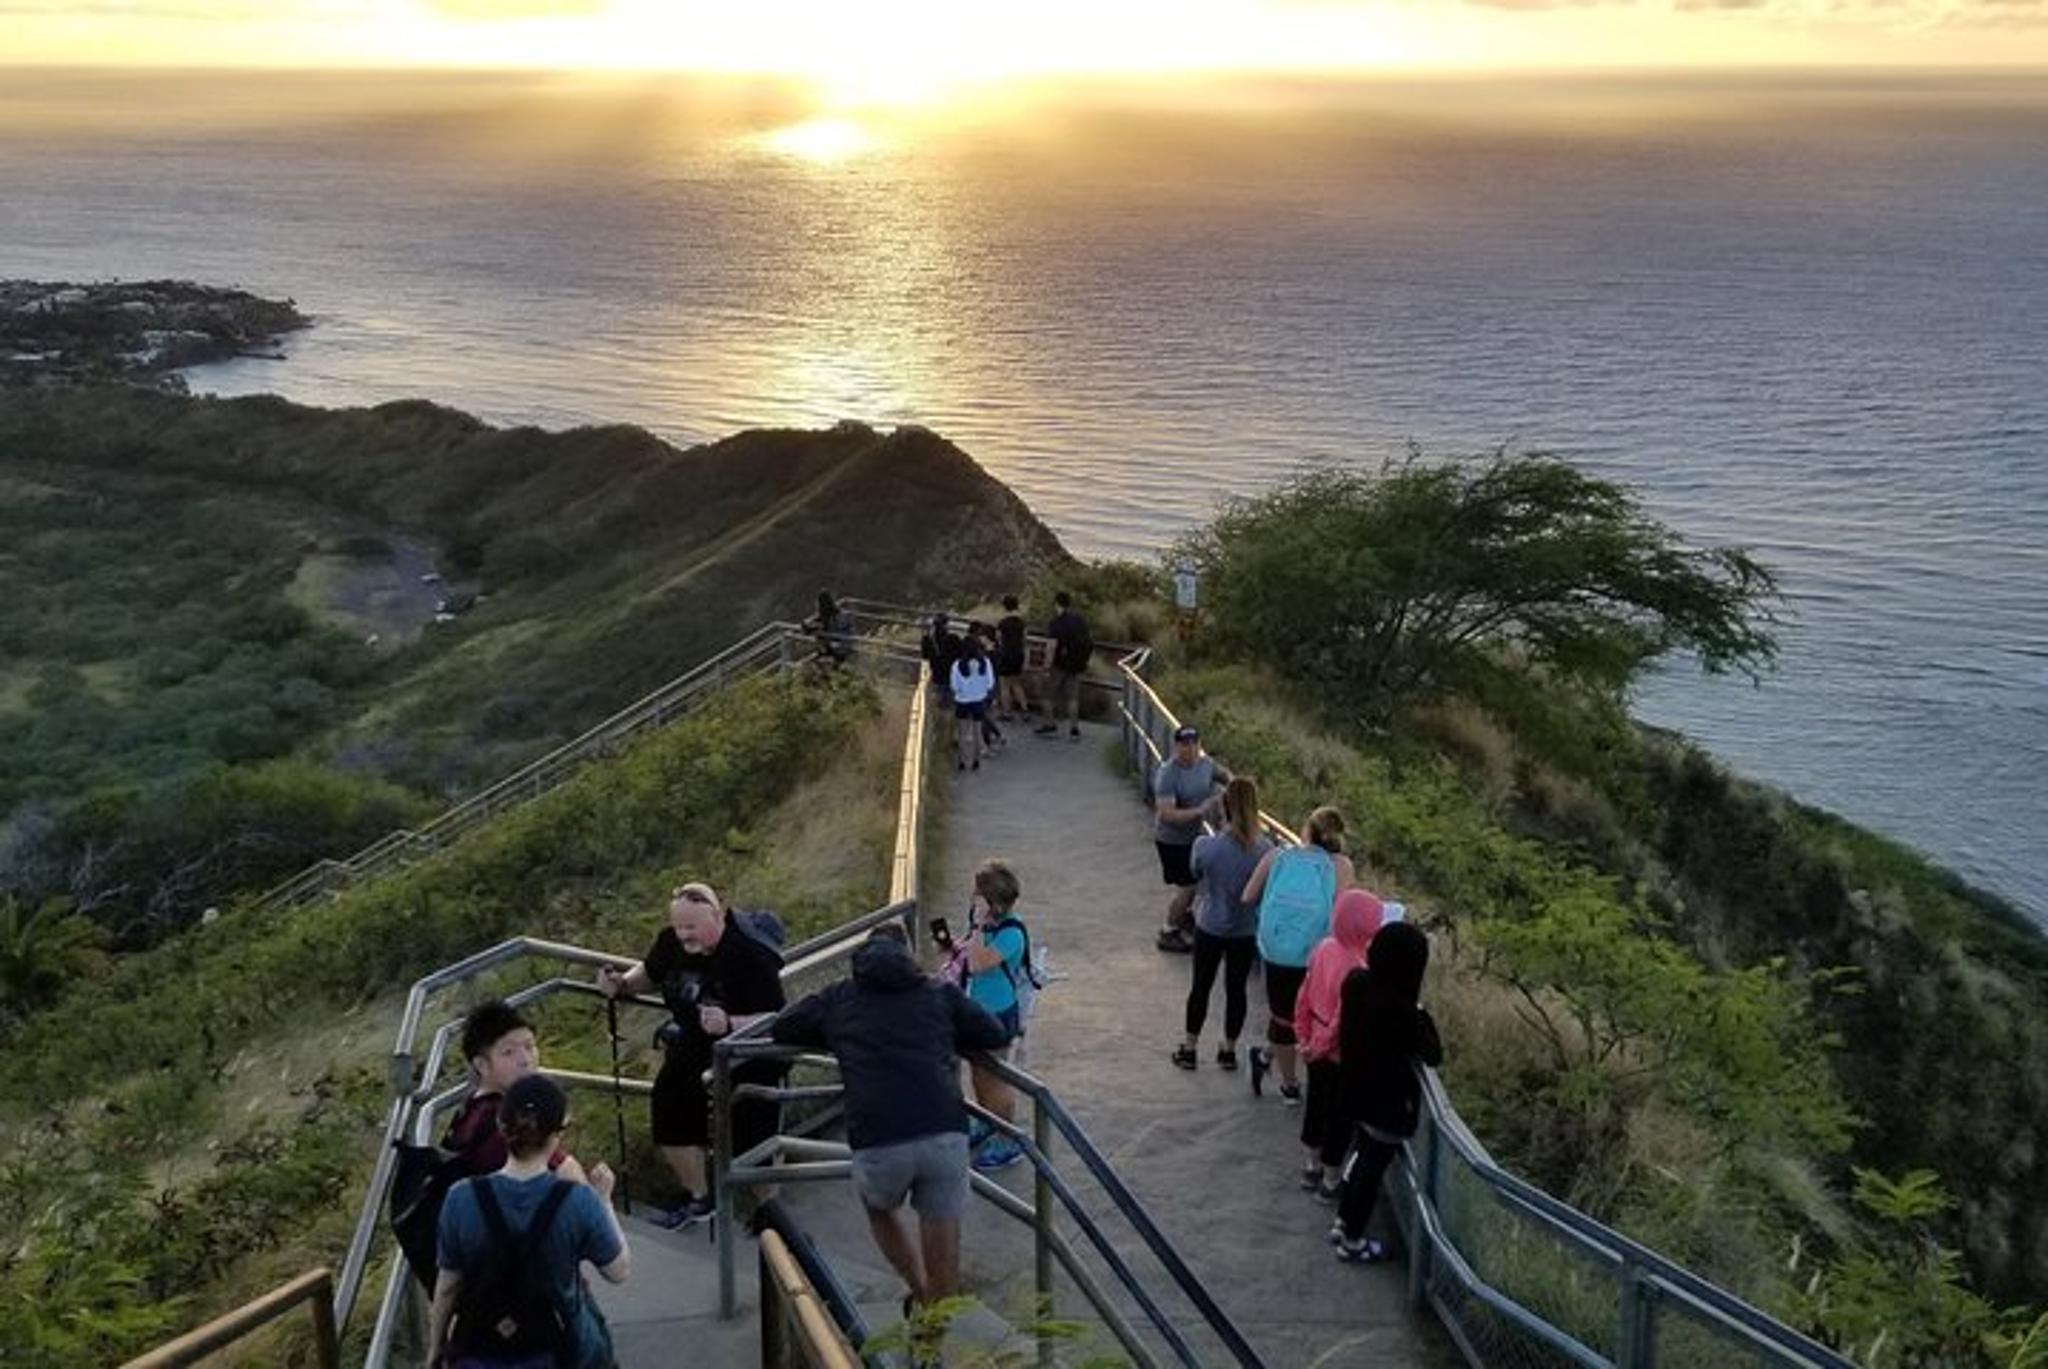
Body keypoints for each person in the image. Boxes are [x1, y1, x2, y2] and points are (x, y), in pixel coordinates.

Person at [770, 923, 1010, 1311]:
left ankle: (918, 1288)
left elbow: (784, 1026)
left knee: (879, 1209)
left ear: (860, 962)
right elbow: (994, 1032)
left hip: (879, 1136)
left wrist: (838, 1037)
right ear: (909, 956)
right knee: (943, 1220)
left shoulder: (838, 998)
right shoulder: (938, 992)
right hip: (943, 1128)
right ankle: (938, 1323)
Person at [595, 883, 786, 1230]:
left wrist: (730, 1022)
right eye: (680, 927)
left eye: (692, 927)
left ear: (718, 915)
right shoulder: (671, 942)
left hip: (750, 1054)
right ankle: (699, 1197)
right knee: (670, 1112)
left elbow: (776, 1017)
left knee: (753, 1135)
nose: (685, 936)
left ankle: (771, 1213)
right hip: (693, 1048)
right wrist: (621, 983)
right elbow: (650, 973)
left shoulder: (748, 955)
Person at [429, 1073, 629, 1369]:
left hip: (482, 1349)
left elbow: (448, 1285)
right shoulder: (577, 1200)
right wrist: (604, 1202)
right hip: (560, 1349)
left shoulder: (461, 1198)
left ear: (501, 1125)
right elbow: (618, 1271)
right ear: (558, 1132)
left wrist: (436, 1348)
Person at [1330, 921, 1441, 1263]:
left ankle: (1343, 1221)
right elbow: (1434, 1053)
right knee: (1370, 1169)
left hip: (1353, 1092)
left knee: (1360, 1157)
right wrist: (1422, 1013)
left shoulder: (1356, 985)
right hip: (1388, 1106)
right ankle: (1352, 1239)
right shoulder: (1402, 1012)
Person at [1242, 807, 1355, 1104]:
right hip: (1315, 953)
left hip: (1276, 949)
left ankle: (1278, 1071)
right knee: (1305, 1014)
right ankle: (1287, 1082)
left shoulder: (1278, 856)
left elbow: (1247, 896)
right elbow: (1340, 913)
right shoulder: (1341, 866)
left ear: (1307, 829)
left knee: (1283, 1016)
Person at [1295, 889, 1392, 1199]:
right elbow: (1341, 1019)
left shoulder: (1324, 948)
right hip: (1337, 1053)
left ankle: (1310, 1166)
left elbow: (1304, 995)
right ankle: (1331, 1180)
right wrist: (1322, 1045)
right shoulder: (1359, 969)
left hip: (1313, 1041)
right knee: (1339, 1116)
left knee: (1315, 1106)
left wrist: (1305, 1038)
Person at [1172, 776, 1272, 1071]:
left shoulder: (1206, 846)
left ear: (1225, 807)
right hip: (1244, 930)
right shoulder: (1265, 851)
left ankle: (1190, 1048)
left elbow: (1195, 872)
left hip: (1210, 925)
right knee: (1236, 989)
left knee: (1200, 986)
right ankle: (1228, 1050)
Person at [445, 1000, 588, 1183]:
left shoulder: (472, 1110)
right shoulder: (502, 1122)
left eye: (529, 1047)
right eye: (508, 1052)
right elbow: (566, 1178)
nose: (525, 1060)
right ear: (481, 1065)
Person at [956, 860, 1031, 1171]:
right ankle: (987, 1121)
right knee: (977, 1072)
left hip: (999, 1013)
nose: (973, 896)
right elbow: (967, 953)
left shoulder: (1012, 932)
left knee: (996, 1078)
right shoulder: (988, 925)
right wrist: (953, 947)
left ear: (993, 901)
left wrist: (976, 927)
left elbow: (978, 964)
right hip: (976, 1009)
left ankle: (1008, 1139)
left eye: (978, 893)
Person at [1151, 725, 1232, 954]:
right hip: (1171, 839)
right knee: (1188, 887)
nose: (1191, 748)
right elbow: (1166, 813)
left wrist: (1233, 788)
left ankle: (1185, 917)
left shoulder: (1205, 764)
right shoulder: (1168, 773)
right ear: (1177, 746)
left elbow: (1224, 775)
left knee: (1192, 882)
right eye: (1185, 744)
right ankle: (1168, 930)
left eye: (1195, 743)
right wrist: (1200, 811)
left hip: (1192, 837)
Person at [1034, 592, 1091, 740]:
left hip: (1058, 665)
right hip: (1076, 664)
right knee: (1073, 697)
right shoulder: (1079, 620)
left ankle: (1050, 725)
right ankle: (1074, 729)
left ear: (1057, 604)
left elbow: (1052, 646)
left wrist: (1046, 666)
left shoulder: (1055, 623)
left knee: (1047, 694)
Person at [949, 634, 997, 773]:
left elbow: (954, 685)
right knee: (977, 732)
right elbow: (990, 683)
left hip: (962, 701)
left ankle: (963, 761)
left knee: (962, 733)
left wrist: (962, 691)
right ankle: (976, 760)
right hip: (979, 700)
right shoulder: (985, 662)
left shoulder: (957, 664)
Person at [994, 596, 1030, 721]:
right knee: (1017, 683)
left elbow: (998, 639)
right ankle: (1025, 710)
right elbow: (1024, 640)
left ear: (1005, 606)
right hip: (1018, 655)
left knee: (1004, 684)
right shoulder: (1022, 622)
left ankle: (1007, 712)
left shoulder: (1002, 623)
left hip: (1006, 655)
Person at [803, 590, 854, 665]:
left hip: (838, 648)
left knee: (820, 637)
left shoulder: (829, 616)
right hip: (845, 644)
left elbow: (818, 627)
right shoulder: (837, 612)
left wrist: (809, 626)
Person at [920, 614, 961, 700]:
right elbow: (960, 655)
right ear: (946, 625)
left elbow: (925, 656)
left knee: (939, 697)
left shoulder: (927, 640)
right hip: (951, 674)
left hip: (936, 674)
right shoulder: (954, 638)